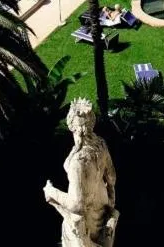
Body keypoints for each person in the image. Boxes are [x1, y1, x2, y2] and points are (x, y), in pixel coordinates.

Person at [44, 99, 119, 247]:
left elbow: (77, 204)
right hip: (102, 209)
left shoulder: (78, 162)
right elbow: (111, 178)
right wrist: (111, 200)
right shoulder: (100, 145)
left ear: (71, 126)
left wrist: (52, 192)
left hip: (86, 221)